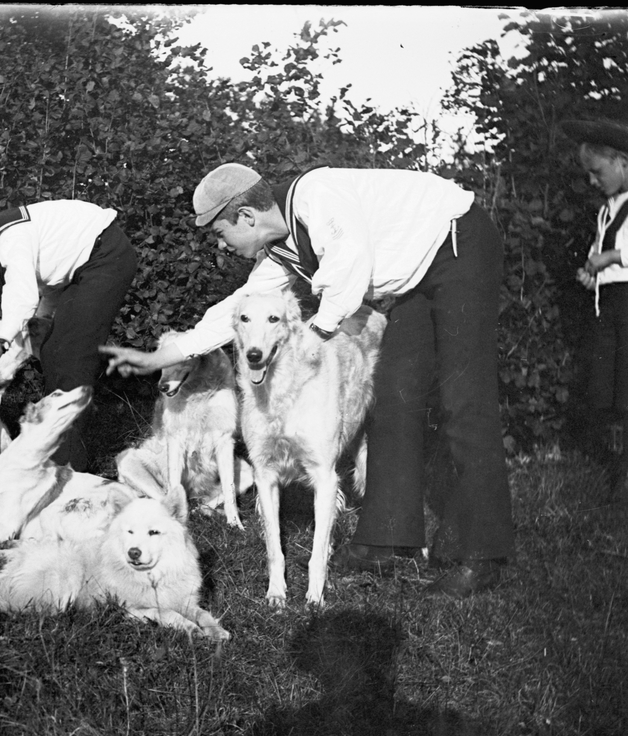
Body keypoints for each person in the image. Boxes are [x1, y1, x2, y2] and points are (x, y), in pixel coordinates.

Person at [102, 163, 515, 599]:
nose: (221, 245)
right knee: (394, 393)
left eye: (221, 233)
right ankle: (387, 539)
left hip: (459, 244)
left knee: (464, 400)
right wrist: (157, 357)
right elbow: (233, 312)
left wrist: (315, 334)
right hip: (416, 275)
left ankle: (481, 557)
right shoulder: (282, 248)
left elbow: (351, 265)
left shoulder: (316, 197)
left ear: (247, 218)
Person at [0, 199, 138, 472]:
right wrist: (41, 320)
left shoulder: (9, 237)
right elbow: (50, 281)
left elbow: (23, 295)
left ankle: (67, 470)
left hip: (105, 258)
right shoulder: (5, 231)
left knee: (70, 358)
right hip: (89, 261)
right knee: (53, 351)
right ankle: (58, 449)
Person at [561, 112, 628, 500]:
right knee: (610, 389)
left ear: (621, 162)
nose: (592, 181)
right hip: (608, 309)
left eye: (598, 171)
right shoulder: (607, 211)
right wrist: (592, 273)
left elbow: (617, 254)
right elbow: (596, 254)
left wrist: (615, 257)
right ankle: (617, 468)